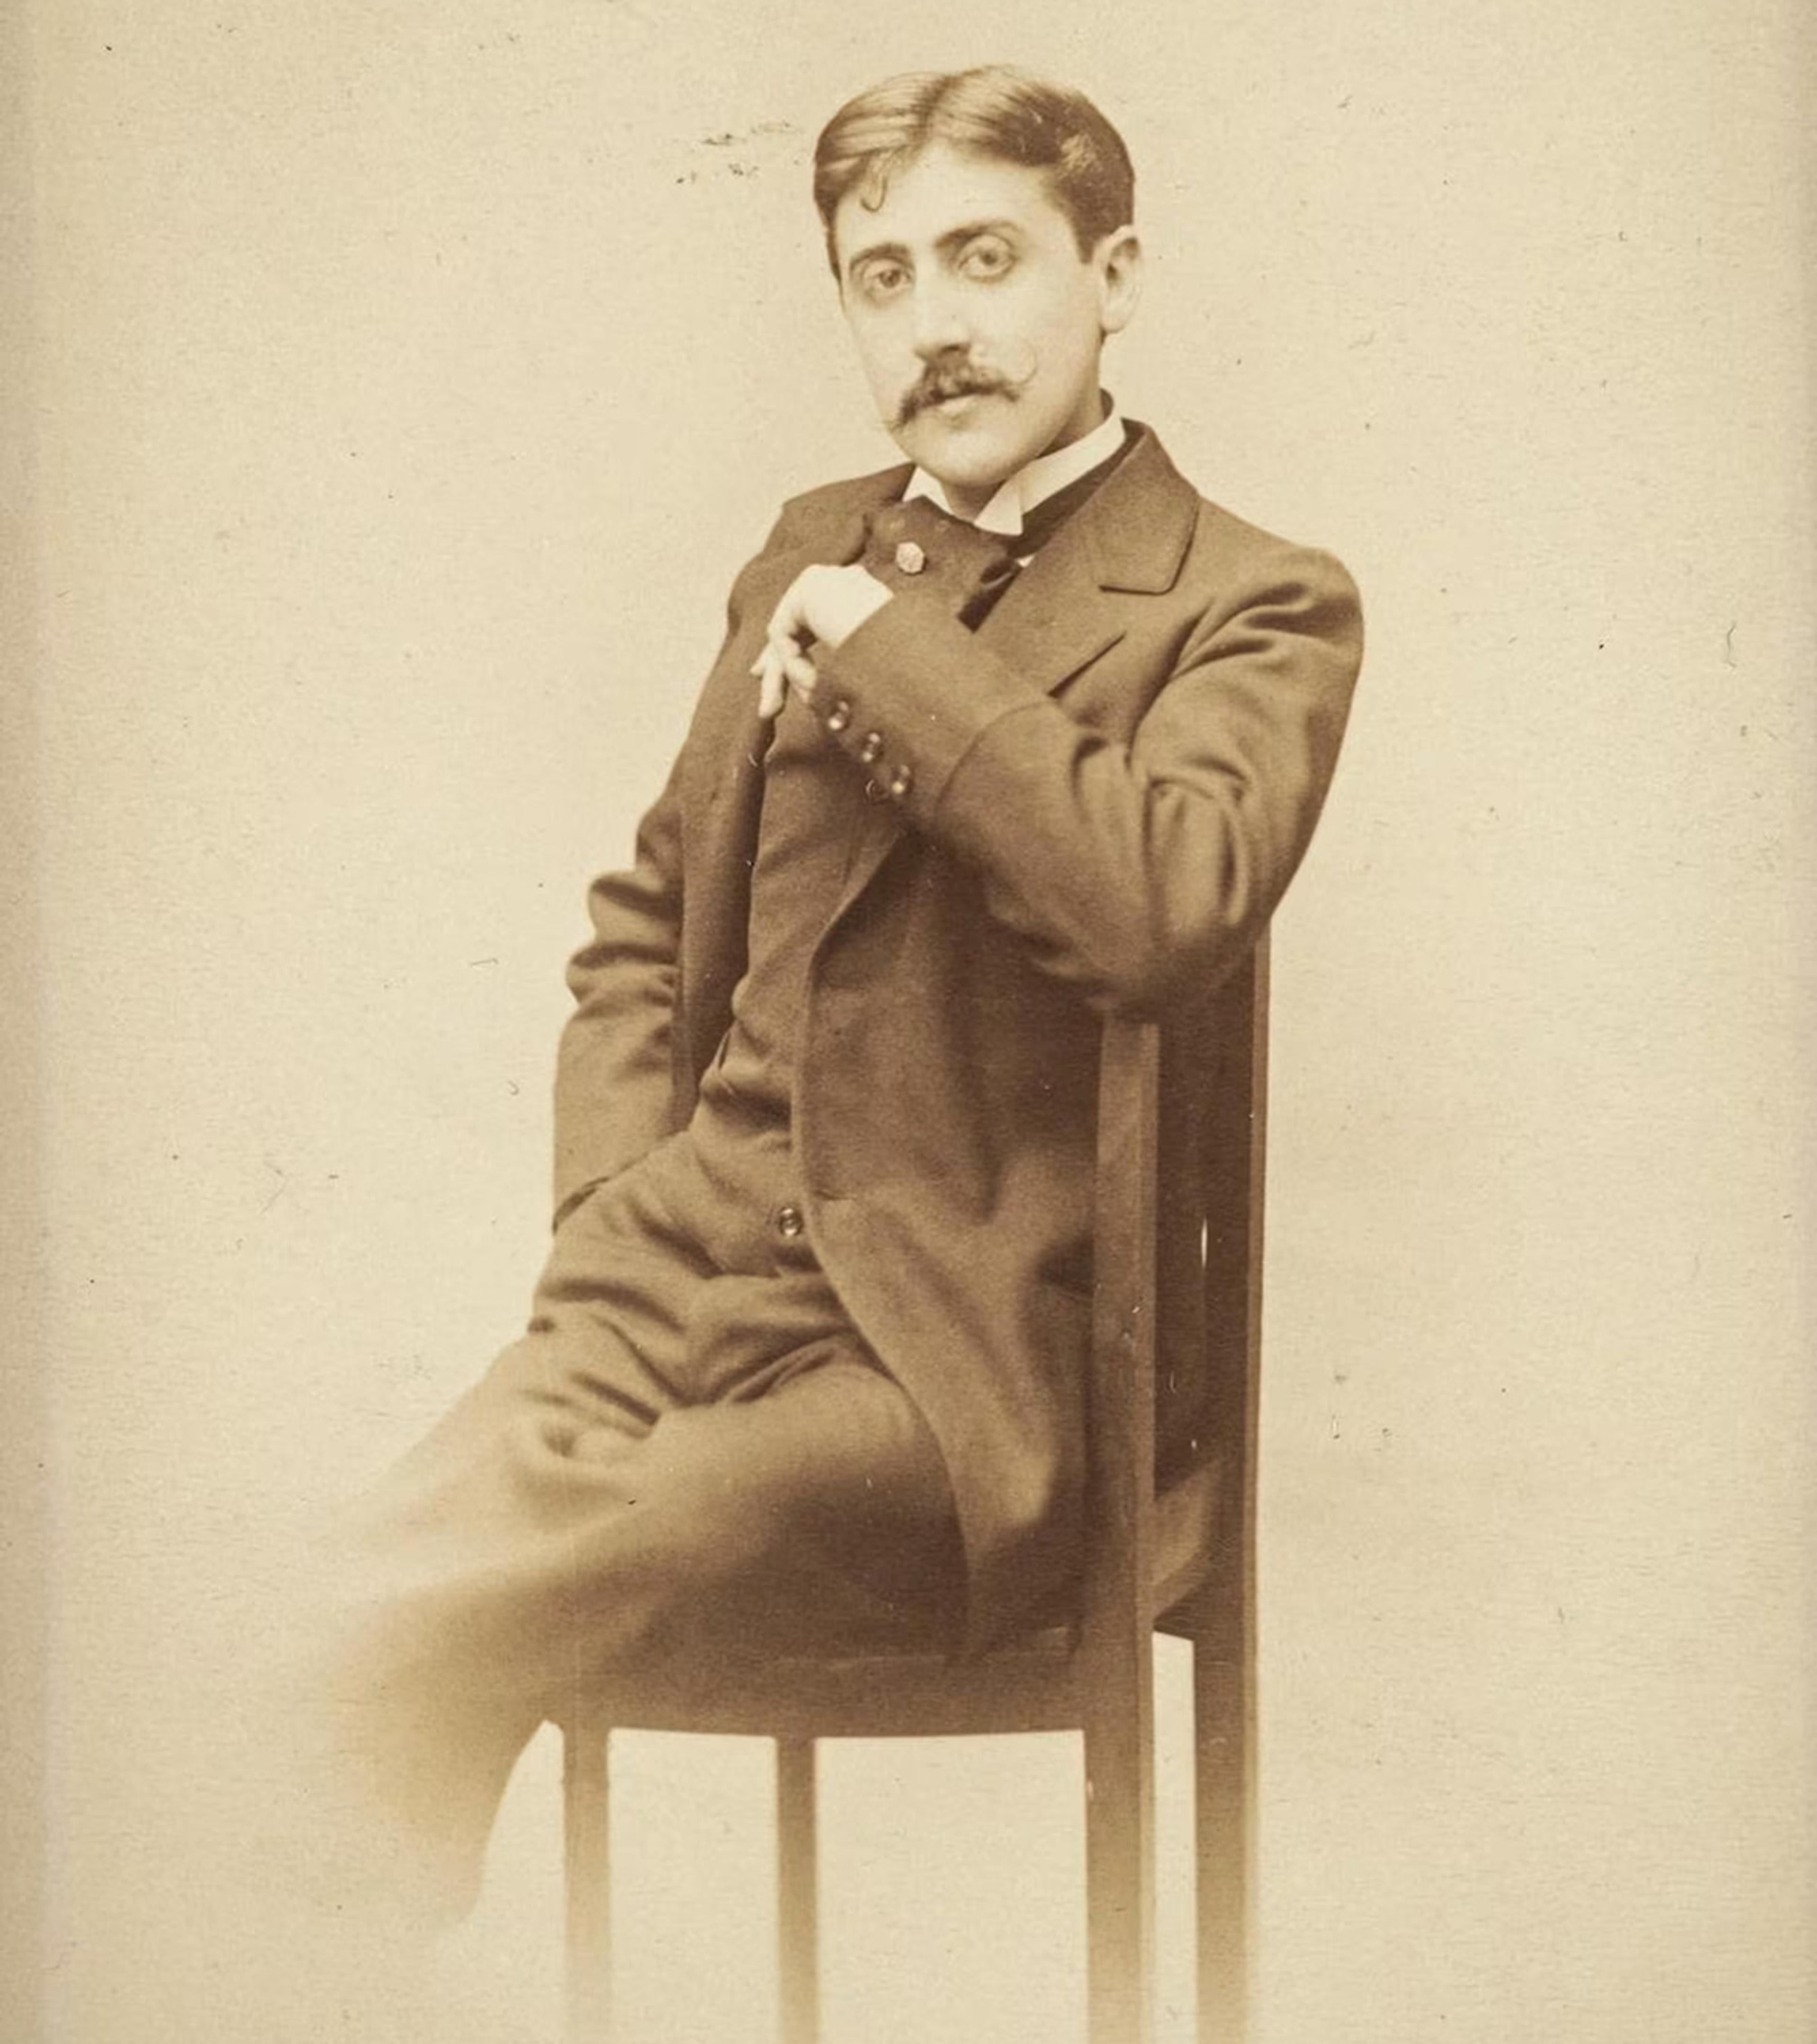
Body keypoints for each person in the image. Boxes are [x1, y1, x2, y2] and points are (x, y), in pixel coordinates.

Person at [278, 61, 1364, 1984]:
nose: (935, 325)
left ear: (1112, 274)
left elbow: (1161, 912)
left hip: (969, 1364)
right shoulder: (810, 543)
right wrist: (613, 1221)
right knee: (341, 1593)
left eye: (983, 257)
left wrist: (890, 656)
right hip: (678, 1294)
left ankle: (291, 1956)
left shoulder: (1251, 602)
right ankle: (293, 1959)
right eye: (880, 278)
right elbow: (639, 930)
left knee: (469, 1592)